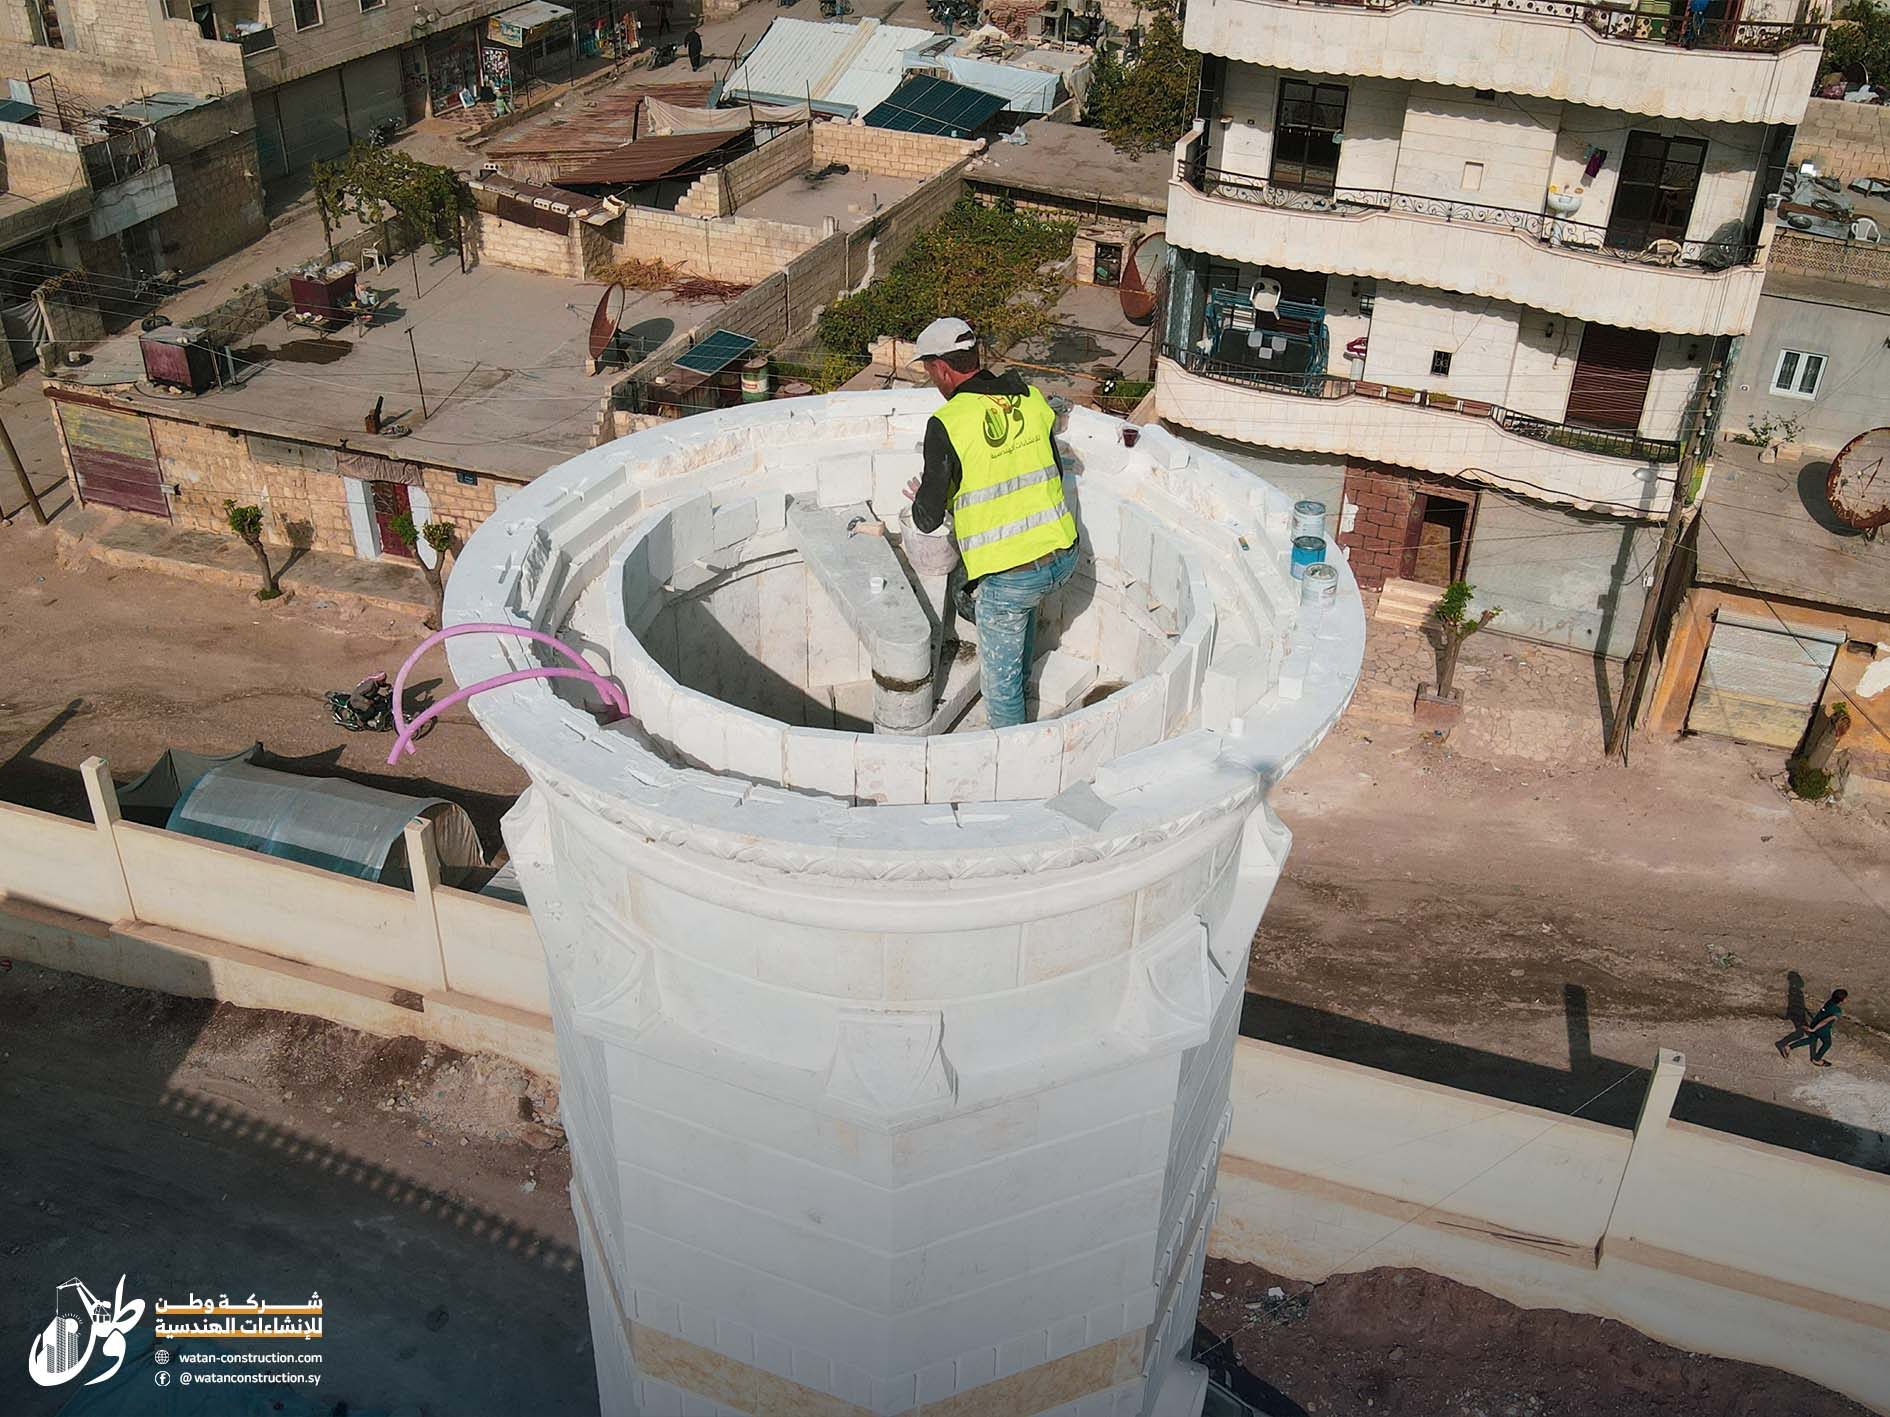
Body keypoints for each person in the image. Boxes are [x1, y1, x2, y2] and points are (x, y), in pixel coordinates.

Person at [904, 317, 1079, 730]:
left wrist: (925, 497)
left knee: (999, 688)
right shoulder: (1031, 398)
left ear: (942, 369)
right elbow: (1044, 469)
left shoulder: (948, 422)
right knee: (1015, 613)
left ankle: (1012, 761)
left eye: (930, 372)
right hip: (1061, 558)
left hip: (1013, 578)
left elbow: (927, 518)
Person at [1778, 988, 1848, 1068]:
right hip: (1823, 1028)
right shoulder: (1837, 1010)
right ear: (1842, 1000)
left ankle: (1788, 1047)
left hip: (1815, 1022)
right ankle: (1816, 1060)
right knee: (1827, 1043)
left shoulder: (1830, 1002)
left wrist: (1813, 1027)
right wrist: (1813, 1029)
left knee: (1812, 1039)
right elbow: (1825, 1021)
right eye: (1845, 998)